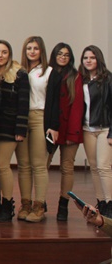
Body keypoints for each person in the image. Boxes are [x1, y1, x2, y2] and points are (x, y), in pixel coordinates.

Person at [0, 39, 29, 223]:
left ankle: (7, 205)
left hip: (10, 125)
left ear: (9, 54)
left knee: (2, 164)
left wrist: (21, 128)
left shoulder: (19, 74)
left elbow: (23, 103)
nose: (0, 55)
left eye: (4, 52)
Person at [17, 36, 56, 222]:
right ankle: (25, 204)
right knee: (23, 164)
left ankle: (39, 206)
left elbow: (55, 102)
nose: (32, 51)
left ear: (42, 51)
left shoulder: (49, 71)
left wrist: (53, 126)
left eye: (36, 48)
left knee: (39, 164)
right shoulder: (19, 71)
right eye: (29, 48)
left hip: (40, 117)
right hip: (22, 118)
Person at [46, 43, 84, 221]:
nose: (63, 57)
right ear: (54, 55)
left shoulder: (75, 76)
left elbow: (77, 107)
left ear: (71, 58)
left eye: (66, 54)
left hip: (69, 129)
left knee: (67, 167)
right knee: (42, 165)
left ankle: (63, 205)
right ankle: (40, 201)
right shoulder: (47, 73)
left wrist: (72, 134)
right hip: (50, 128)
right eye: (59, 54)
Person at [79, 45, 112, 218]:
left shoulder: (108, 79)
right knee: (93, 167)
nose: (88, 61)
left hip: (104, 128)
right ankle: (101, 203)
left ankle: (110, 203)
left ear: (98, 59)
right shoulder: (82, 80)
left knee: (103, 167)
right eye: (85, 58)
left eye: (92, 57)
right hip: (87, 129)